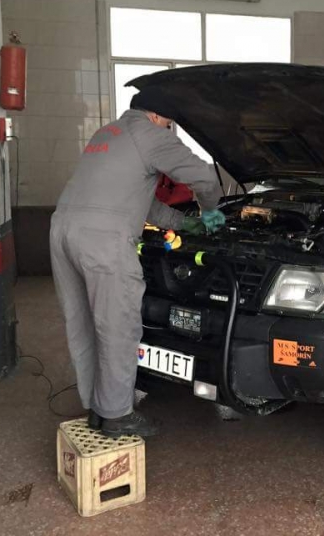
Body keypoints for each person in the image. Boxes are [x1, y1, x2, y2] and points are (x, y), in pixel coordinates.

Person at [49, 95, 226, 437]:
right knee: (118, 326)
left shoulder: (107, 133)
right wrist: (209, 213)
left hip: (63, 231)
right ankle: (117, 415)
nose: (170, 128)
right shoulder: (150, 134)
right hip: (102, 240)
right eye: (169, 122)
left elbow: (142, 204)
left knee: (83, 321)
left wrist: (186, 224)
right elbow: (205, 178)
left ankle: (98, 408)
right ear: (156, 114)